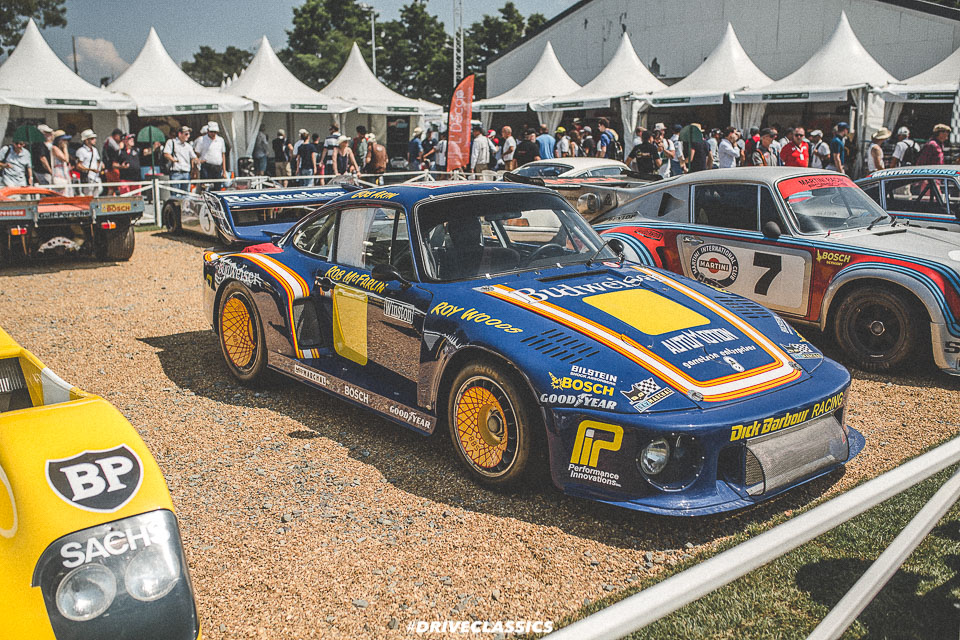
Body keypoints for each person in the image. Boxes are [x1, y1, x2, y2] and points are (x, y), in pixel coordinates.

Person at [163, 125, 198, 198]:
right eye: (186, 134)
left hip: (186, 173)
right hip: (176, 172)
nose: (188, 136)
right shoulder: (171, 142)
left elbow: (194, 157)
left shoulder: (188, 146)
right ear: (179, 134)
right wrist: (174, 160)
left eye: (188, 134)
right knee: (175, 195)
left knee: (186, 195)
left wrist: (197, 164)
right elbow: (166, 154)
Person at [195, 121, 228, 189]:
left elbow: (223, 155)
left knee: (217, 187)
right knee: (204, 187)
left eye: (215, 132)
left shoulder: (220, 140)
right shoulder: (201, 140)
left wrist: (224, 171)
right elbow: (196, 154)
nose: (213, 134)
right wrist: (197, 165)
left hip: (217, 167)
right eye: (211, 131)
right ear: (208, 131)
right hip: (206, 166)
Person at [75, 129, 102, 194]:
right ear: (86, 140)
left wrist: (99, 168)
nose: (94, 140)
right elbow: (78, 166)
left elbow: (97, 161)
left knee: (97, 194)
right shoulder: (81, 151)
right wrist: (90, 169)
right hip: (87, 177)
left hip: (96, 177)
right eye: (92, 138)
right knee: (88, 196)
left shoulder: (94, 150)